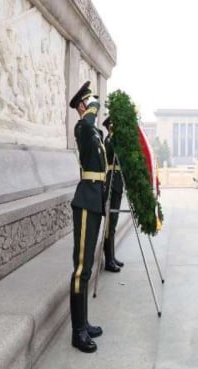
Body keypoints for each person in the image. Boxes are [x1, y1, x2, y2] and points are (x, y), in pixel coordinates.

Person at [67, 81, 105, 353]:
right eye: (90, 102)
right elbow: (89, 126)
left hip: (95, 199)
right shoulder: (83, 127)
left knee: (88, 265)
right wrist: (90, 111)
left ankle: (84, 322)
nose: (95, 106)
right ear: (82, 105)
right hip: (85, 201)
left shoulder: (94, 131)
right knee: (81, 269)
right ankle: (77, 331)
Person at [101, 116, 125, 272]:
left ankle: (112, 256)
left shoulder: (112, 140)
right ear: (110, 126)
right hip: (111, 183)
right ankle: (108, 261)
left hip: (116, 182)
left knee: (114, 223)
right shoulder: (109, 141)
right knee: (110, 224)